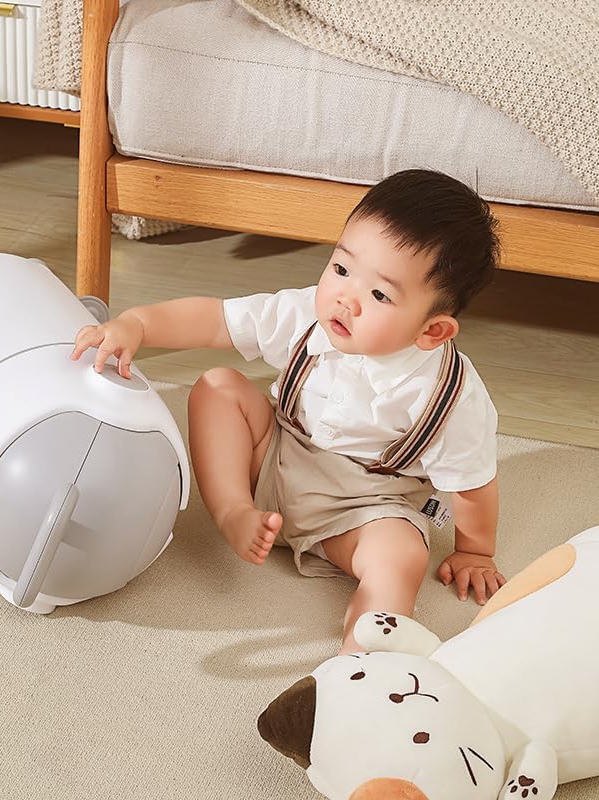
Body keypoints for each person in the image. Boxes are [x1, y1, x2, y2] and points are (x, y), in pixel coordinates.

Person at [71, 169, 506, 653]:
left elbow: (472, 484)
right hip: (273, 462)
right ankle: (234, 510)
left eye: (380, 295)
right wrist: (138, 323)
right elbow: (215, 321)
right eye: (341, 269)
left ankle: (362, 658)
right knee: (218, 386)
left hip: (364, 509)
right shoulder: (305, 316)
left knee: (401, 555)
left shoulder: (451, 394)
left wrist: (474, 551)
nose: (345, 299)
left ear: (432, 331)